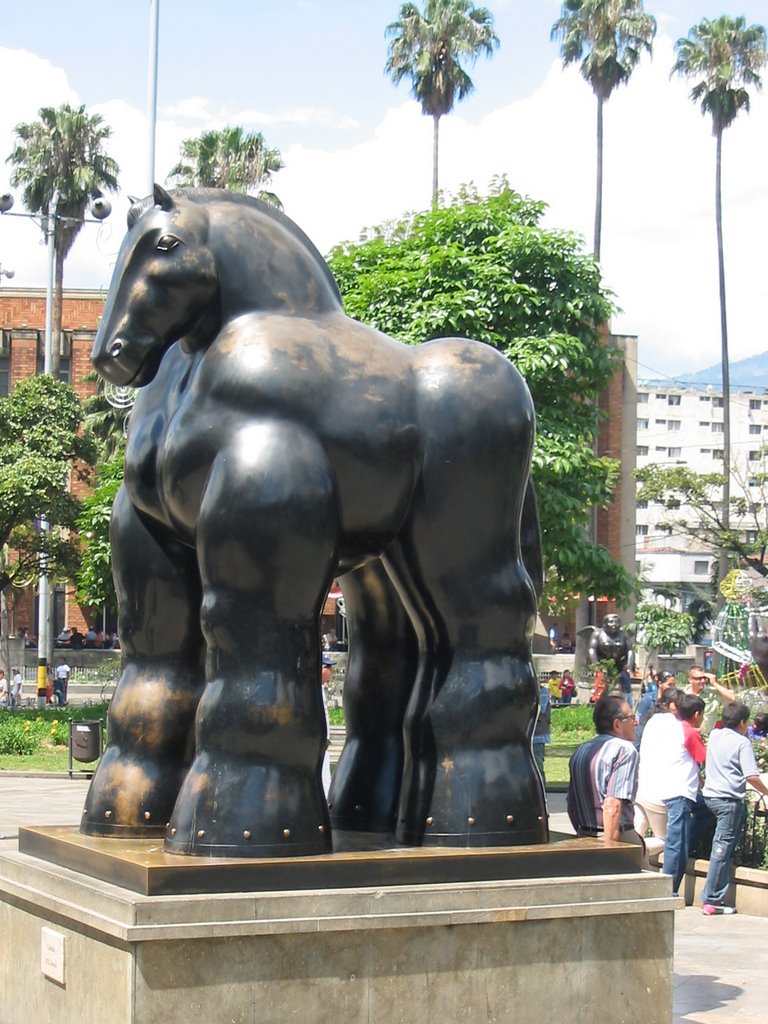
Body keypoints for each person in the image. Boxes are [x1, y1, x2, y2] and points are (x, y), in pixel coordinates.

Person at [700, 702, 768, 915]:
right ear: (742, 722)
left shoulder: (715, 735)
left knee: (712, 842)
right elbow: (751, 776)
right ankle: (712, 900)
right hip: (728, 801)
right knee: (722, 849)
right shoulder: (742, 742)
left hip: (709, 797)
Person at [567, 692, 643, 848]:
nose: (635, 722)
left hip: (583, 836)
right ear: (617, 724)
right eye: (631, 718)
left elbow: (571, 804)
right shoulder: (624, 750)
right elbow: (612, 804)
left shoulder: (581, 750)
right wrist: (609, 847)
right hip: (616, 836)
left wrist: (582, 834)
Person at [686, 667, 736, 737]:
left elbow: (732, 698)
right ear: (690, 680)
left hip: (707, 736)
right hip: (688, 735)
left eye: (704, 678)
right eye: (699, 678)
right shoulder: (684, 694)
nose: (703, 681)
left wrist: (714, 683)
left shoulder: (712, 693)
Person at [533, 678, 552, 787]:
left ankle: (541, 794)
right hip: (532, 736)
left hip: (537, 736)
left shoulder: (542, 692)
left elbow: (539, 710)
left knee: (537, 766)